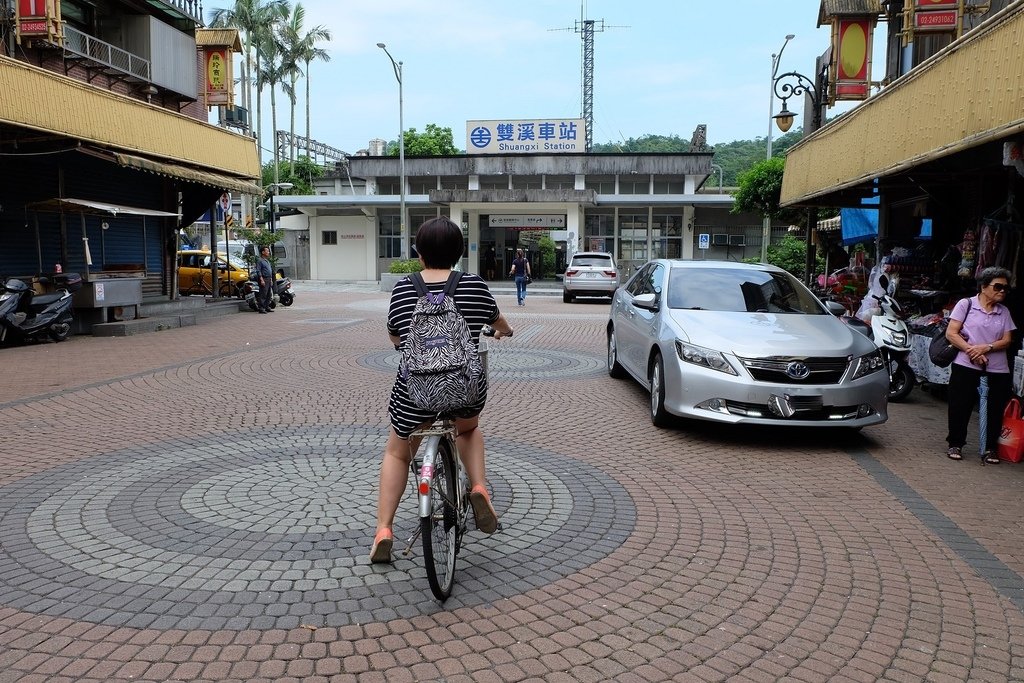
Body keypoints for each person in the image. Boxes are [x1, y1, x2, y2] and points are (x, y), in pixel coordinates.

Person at [371, 217, 514, 563]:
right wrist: (503, 331)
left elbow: (395, 335)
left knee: (398, 452)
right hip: (464, 389)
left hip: (416, 392)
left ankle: (384, 530)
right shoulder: (475, 286)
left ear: (419, 254)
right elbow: (499, 323)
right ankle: (478, 487)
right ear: (459, 254)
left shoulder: (404, 288)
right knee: (469, 428)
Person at [945, 266, 1016, 463]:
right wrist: (972, 351)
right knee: (960, 405)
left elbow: (1007, 340)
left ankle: (990, 447)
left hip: (997, 368)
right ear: (984, 286)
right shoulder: (965, 304)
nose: (1002, 291)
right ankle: (956, 443)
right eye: (998, 286)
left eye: (1005, 288)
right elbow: (951, 333)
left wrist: (986, 348)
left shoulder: (1004, 311)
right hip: (965, 364)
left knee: (995, 407)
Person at [255, 245, 274, 313]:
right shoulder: (260, 261)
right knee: (263, 294)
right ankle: (261, 308)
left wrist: (271, 279)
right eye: (267, 251)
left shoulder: (267, 261)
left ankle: (266, 306)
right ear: (263, 252)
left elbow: (270, 270)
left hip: (268, 279)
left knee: (269, 294)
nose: (268, 252)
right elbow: (258, 270)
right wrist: (261, 279)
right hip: (264, 278)